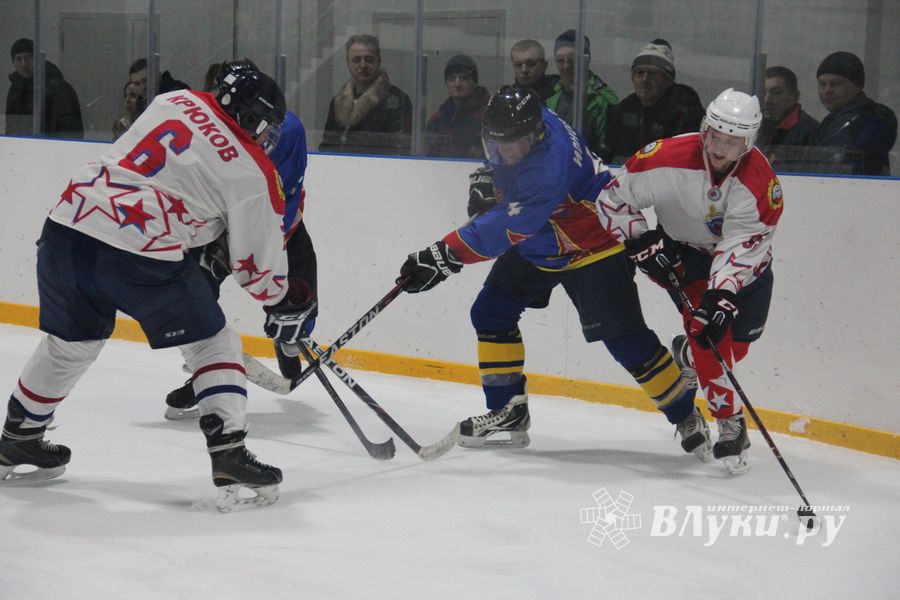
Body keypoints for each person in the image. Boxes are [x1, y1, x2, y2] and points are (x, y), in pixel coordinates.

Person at [0, 67, 315, 512]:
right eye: (268, 126)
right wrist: (287, 300)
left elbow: (175, 173)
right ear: (252, 117)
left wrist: (205, 232)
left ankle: (20, 435)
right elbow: (257, 275)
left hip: (66, 226)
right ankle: (229, 452)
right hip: (138, 251)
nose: (269, 137)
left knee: (71, 343)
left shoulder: (173, 101)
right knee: (214, 342)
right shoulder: (253, 172)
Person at [397, 86, 705, 459]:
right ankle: (508, 411)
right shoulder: (528, 118)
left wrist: (444, 254)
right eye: (499, 142)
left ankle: (685, 412)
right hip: (543, 239)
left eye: (515, 142)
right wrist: (493, 184)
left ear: (537, 132)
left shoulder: (548, 166)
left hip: (594, 243)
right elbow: (514, 194)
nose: (506, 150)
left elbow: (507, 228)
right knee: (491, 312)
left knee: (625, 341)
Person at [596, 88, 783, 475]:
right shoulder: (664, 158)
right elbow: (612, 200)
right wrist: (640, 240)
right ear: (704, 129)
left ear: (748, 144)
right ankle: (730, 422)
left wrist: (722, 292)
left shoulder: (761, 183)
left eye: (732, 142)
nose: (720, 149)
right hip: (685, 258)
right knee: (710, 337)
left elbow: (744, 244)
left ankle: (688, 357)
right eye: (715, 136)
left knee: (736, 346)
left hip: (745, 268)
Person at [163, 59, 319, 420]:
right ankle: (208, 374)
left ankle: (291, 340)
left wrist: (278, 291)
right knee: (195, 299)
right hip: (218, 229)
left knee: (300, 297)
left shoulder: (286, 130)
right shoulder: (201, 133)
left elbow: (281, 199)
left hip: (278, 225)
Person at [606, 39, 704, 164]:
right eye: (640, 73)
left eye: (652, 73)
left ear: (668, 80)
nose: (645, 79)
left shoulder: (684, 112)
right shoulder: (624, 110)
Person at [319, 34, 412, 155]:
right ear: (347, 63)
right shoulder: (338, 101)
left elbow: (399, 150)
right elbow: (327, 146)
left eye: (369, 60)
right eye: (356, 60)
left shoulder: (397, 101)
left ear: (379, 61)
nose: (362, 65)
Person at [810, 51, 897, 175]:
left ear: (857, 85)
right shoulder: (831, 121)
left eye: (836, 84)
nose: (827, 90)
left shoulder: (874, 118)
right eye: (822, 84)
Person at [545, 29, 618, 162]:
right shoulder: (551, 95)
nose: (566, 66)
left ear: (586, 60)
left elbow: (606, 150)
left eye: (572, 60)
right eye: (560, 60)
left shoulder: (602, 99)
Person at [5, 38, 83, 139]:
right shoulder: (15, 89)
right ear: (13, 62)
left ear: (38, 59)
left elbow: (71, 131)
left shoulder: (59, 88)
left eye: (28, 57)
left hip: (51, 147)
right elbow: (11, 126)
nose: (24, 64)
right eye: (18, 59)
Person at [425, 54, 490, 158]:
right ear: (446, 83)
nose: (457, 84)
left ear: (474, 82)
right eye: (452, 79)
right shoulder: (437, 120)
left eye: (464, 78)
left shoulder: (489, 116)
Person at [755, 66, 819, 172]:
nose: (767, 100)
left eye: (777, 93)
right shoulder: (757, 125)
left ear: (795, 96)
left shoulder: (809, 131)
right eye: (763, 92)